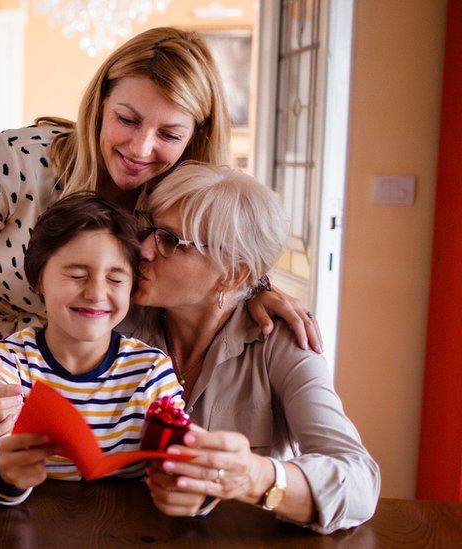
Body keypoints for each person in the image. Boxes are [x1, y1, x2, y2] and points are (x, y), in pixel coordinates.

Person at [0, 26, 320, 425]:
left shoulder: (174, 203)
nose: (141, 148)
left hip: (48, 384)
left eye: (169, 134)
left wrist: (256, 286)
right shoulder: (21, 161)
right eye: (127, 119)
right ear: (100, 102)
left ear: (196, 136)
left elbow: (219, 253)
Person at [121, 163, 378, 534]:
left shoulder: (282, 341)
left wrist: (255, 477)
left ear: (233, 274)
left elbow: (359, 481)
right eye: (148, 229)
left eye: (170, 241)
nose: (144, 249)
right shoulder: (118, 323)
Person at [0, 194, 183, 505]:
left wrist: (189, 485)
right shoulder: (9, 362)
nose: (96, 292)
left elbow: (181, 458)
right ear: (38, 280)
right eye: (76, 275)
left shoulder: (151, 371)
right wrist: (6, 472)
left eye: (115, 278)